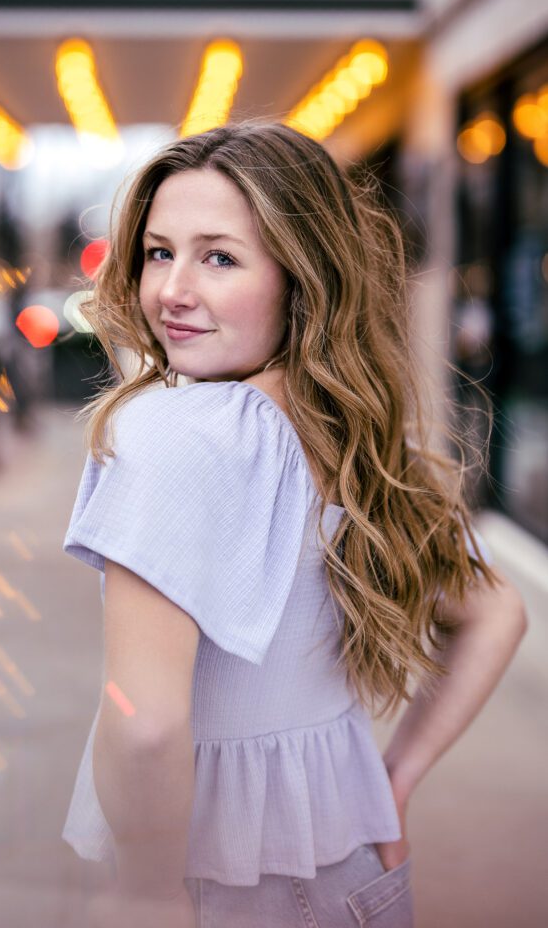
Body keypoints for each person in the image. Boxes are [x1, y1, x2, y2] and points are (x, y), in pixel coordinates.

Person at [61, 123, 528, 928]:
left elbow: (144, 728)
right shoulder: (360, 439)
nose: (171, 288)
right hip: (355, 879)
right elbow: (495, 613)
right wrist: (392, 782)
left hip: (212, 890)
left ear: (299, 276)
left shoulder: (170, 434)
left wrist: (143, 894)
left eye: (219, 257)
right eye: (158, 251)